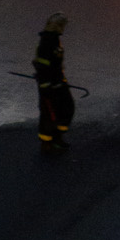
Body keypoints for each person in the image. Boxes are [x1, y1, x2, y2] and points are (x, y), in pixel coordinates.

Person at [31, 13, 76, 152]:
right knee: (49, 113)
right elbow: (42, 64)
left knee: (67, 108)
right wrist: (45, 84)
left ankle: (57, 137)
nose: (63, 28)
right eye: (62, 25)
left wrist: (61, 80)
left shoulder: (54, 40)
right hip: (49, 85)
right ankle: (47, 143)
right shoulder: (47, 41)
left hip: (58, 82)